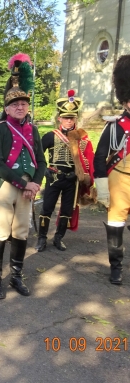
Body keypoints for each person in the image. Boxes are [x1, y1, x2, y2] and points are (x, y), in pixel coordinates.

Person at [0, 53, 46, 300]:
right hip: (6, 186)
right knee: (0, 231)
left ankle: (16, 277)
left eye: (23, 103)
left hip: (28, 187)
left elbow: (41, 161)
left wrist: (36, 184)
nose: (20, 107)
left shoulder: (33, 130)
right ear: (7, 108)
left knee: (21, 231)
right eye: (15, 104)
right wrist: (23, 183)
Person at [36, 90, 94, 252]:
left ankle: (58, 238)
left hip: (72, 180)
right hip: (54, 177)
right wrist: (44, 171)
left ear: (75, 118)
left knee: (67, 210)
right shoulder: (50, 136)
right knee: (47, 208)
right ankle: (41, 238)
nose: (69, 121)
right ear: (59, 118)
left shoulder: (82, 138)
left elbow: (89, 159)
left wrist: (80, 174)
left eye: (72, 118)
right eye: (66, 117)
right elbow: (37, 155)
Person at [94, 55, 130, 285]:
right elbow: (99, 156)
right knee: (115, 226)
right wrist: (102, 186)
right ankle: (116, 267)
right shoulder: (115, 126)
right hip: (119, 181)